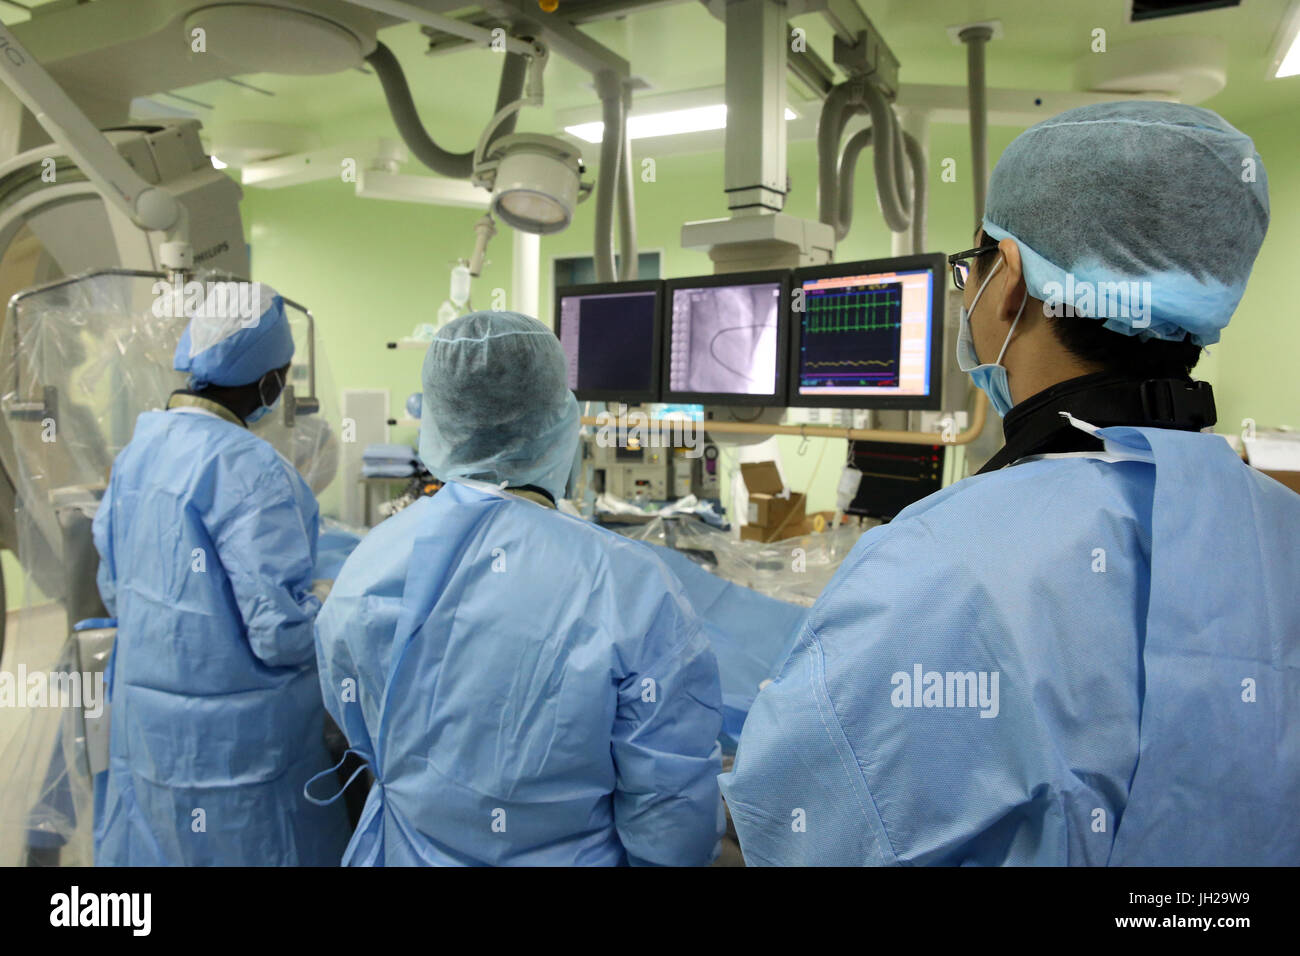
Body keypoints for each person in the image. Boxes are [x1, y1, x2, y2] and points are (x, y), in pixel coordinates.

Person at [720, 101, 1300, 866]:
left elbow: (800, 826)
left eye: (971, 269)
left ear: (1008, 282)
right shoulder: (1280, 527)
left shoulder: (938, 561)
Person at [314, 310, 724, 866]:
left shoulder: (371, 562)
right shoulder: (629, 588)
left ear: (438, 418)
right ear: (560, 418)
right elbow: (672, 826)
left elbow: (360, 730)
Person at [92, 283, 351, 865]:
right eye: (283, 374)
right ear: (267, 381)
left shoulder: (139, 451)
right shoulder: (253, 470)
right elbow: (281, 635)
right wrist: (332, 603)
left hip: (150, 731)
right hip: (238, 753)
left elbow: (115, 590)